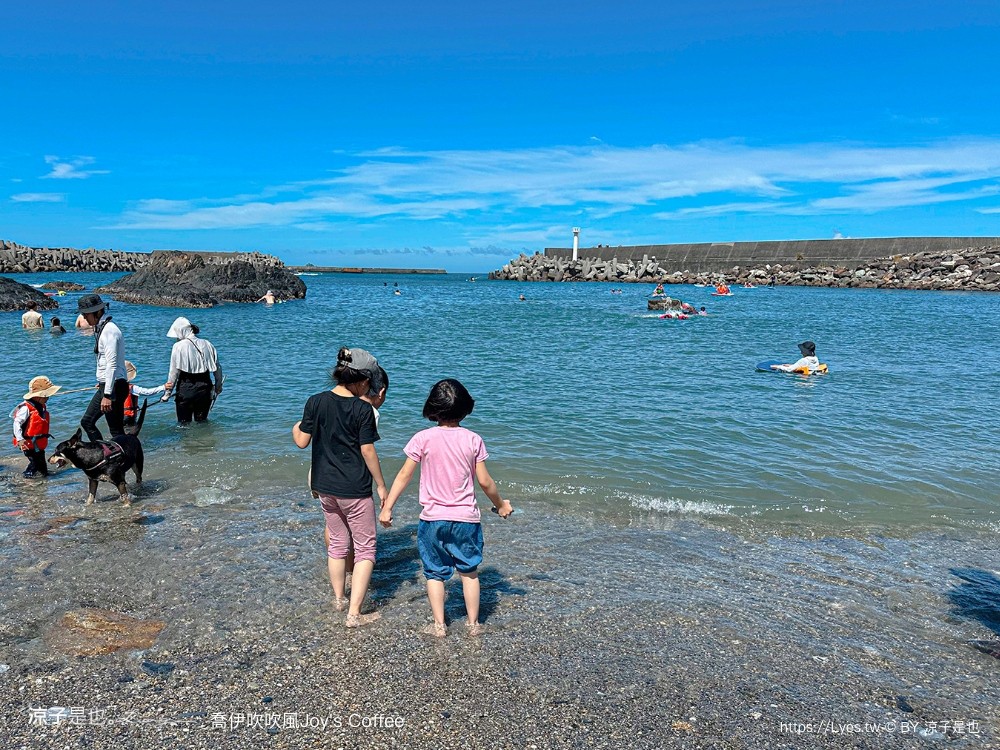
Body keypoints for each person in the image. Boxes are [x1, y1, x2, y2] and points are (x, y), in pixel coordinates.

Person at [379, 379, 513, 637]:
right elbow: (485, 481)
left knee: (434, 573)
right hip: (466, 520)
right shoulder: (473, 439)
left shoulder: (422, 438)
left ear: (433, 407)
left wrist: (387, 507)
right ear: (465, 408)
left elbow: (404, 475)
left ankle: (439, 625)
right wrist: (501, 505)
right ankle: (474, 624)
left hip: (432, 520)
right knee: (470, 572)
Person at [293, 347, 388, 628]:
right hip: (355, 489)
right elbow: (368, 451)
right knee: (366, 549)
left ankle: (338, 599)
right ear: (361, 380)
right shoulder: (362, 409)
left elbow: (301, 440)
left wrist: (294, 427)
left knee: (337, 544)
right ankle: (354, 614)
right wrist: (381, 486)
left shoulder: (316, 401)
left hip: (324, 487)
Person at [77, 294, 128, 442]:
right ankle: (120, 456)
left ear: (98, 312)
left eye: (86, 315)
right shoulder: (103, 328)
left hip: (113, 386)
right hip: (111, 384)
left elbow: (111, 364)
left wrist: (107, 394)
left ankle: (103, 455)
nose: (84, 319)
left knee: (87, 422)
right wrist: (102, 382)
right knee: (116, 429)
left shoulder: (109, 331)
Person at [162, 317, 223, 424]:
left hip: (186, 389)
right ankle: (204, 441)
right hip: (205, 389)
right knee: (202, 423)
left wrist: (167, 393)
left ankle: (186, 441)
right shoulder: (208, 344)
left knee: (184, 424)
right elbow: (217, 368)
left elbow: (173, 373)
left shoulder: (178, 346)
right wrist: (218, 386)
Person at [12, 376, 61, 478]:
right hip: (28, 444)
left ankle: (41, 477)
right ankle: (27, 479)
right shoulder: (25, 408)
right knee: (35, 464)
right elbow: (17, 423)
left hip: (38, 444)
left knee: (41, 465)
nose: (48, 398)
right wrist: (20, 439)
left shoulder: (40, 406)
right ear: (38, 396)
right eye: (46, 396)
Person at [123, 361, 165, 429]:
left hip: (116, 416)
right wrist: (163, 387)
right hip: (128, 417)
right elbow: (148, 392)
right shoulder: (132, 388)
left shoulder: (112, 387)